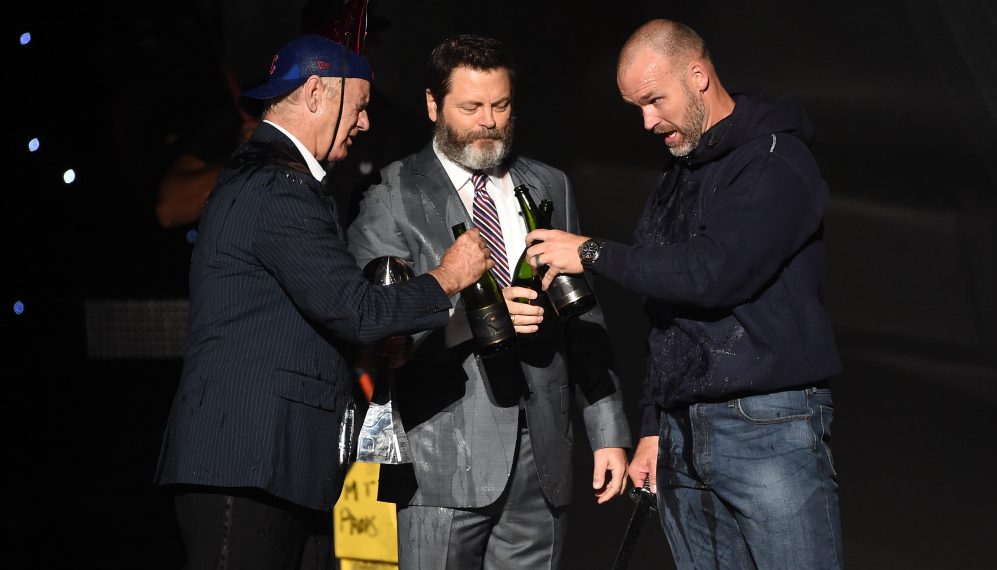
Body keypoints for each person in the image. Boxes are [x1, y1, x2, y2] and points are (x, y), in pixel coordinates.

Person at [154, 34, 493, 570]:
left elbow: (295, 316)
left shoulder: (271, 179)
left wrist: (366, 356)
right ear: (316, 93)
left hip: (279, 468)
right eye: (358, 108)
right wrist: (448, 277)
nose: (365, 124)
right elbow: (356, 310)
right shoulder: (276, 186)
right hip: (246, 464)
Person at [525, 19, 844, 570]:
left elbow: (715, 274)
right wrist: (652, 426)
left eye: (655, 100)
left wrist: (593, 253)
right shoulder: (678, 174)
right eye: (637, 108)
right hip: (682, 435)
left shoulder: (774, 160)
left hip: (767, 429)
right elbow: (668, 314)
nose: (648, 122)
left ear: (697, 75)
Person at [346, 34, 631, 569]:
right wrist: (478, 319)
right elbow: (373, 324)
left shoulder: (548, 183)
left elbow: (584, 314)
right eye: (471, 107)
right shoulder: (392, 193)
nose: (488, 122)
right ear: (434, 105)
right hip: (441, 453)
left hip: (541, 450)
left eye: (500, 106)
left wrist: (608, 429)